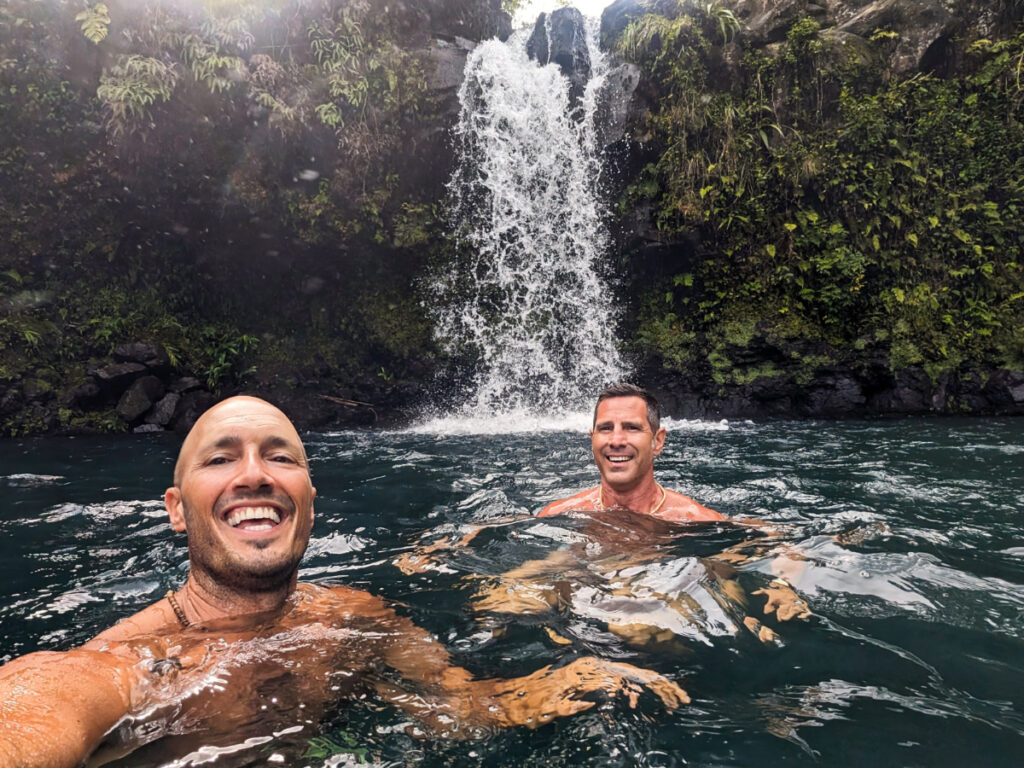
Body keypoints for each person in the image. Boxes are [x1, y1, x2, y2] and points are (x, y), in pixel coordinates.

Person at [0, 396, 688, 768]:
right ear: (177, 511)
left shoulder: (356, 615)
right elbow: (33, 715)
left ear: (309, 500)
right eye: (221, 458)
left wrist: (566, 680)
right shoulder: (124, 666)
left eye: (279, 456)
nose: (254, 474)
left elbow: (462, 708)